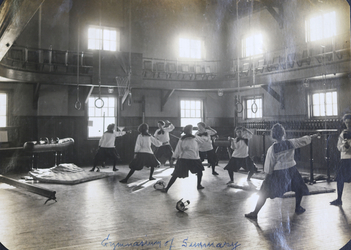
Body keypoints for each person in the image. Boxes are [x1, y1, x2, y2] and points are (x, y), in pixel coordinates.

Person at [245, 123, 319, 219]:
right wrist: (313, 136)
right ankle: (298, 207)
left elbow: (269, 165)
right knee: (299, 188)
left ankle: (255, 213)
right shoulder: (291, 142)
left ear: (273, 135)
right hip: (291, 171)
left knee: (264, 193)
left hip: (279, 173)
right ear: (283, 133)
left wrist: (267, 179)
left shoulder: (271, 149)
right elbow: (303, 141)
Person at [161, 125, 206, 192]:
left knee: (175, 175)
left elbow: (177, 150)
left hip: (185, 159)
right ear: (190, 131)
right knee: (199, 172)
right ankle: (198, 185)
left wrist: (173, 158)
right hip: (193, 158)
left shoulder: (184, 138)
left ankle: (167, 189)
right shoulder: (195, 138)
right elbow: (203, 141)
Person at [330, 113, 351, 206]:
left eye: (350, 122)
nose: (348, 124)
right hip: (344, 159)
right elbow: (339, 146)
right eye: (346, 123)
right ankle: (339, 199)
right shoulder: (343, 133)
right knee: (339, 179)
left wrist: (349, 146)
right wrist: (345, 146)